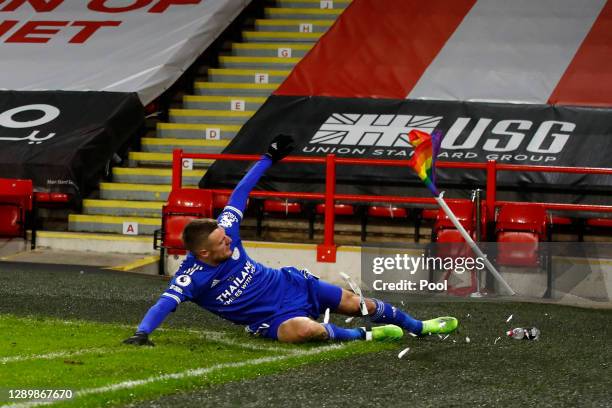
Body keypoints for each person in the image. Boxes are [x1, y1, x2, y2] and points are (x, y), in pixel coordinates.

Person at [123, 135, 458, 345]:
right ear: (203, 252)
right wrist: (143, 332)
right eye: (222, 243)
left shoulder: (226, 232)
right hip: (270, 319)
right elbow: (164, 304)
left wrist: (267, 159)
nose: (230, 241)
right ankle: (364, 334)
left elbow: (239, 195)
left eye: (227, 237)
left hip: (294, 285)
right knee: (305, 331)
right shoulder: (191, 277)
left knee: (360, 304)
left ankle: (419, 326)